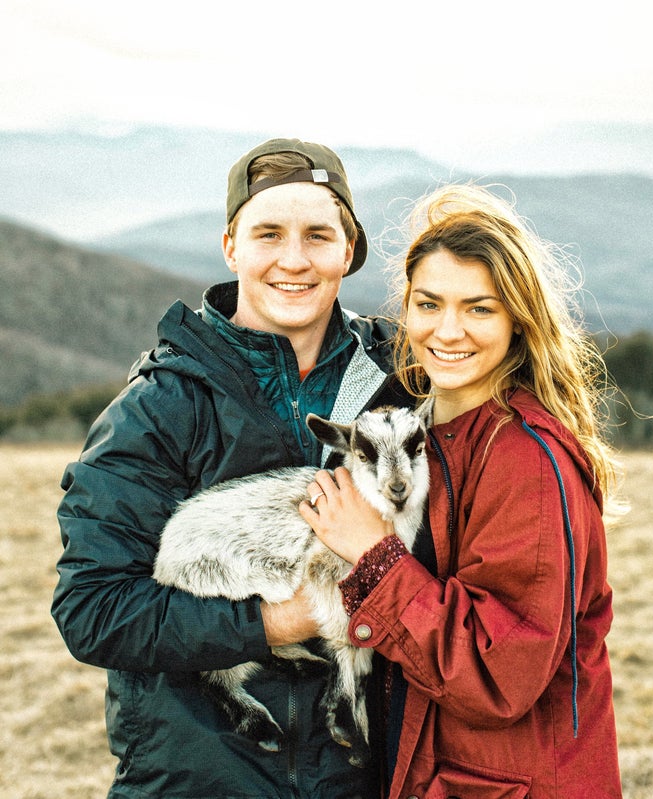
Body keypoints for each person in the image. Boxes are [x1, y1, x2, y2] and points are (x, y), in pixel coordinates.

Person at [52, 138, 413, 799]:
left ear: (348, 251)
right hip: (196, 778)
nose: (294, 258)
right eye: (268, 233)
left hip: (364, 779)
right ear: (231, 247)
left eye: (318, 235)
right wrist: (285, 619)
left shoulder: (404, 388)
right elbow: (93, 606)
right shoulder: (161, 406)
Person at [300, 184, 625, 798]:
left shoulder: (524, 457)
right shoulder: (426, 432)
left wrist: (374, 554)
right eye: (428, 304)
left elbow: (500, 669)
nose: (448, 330)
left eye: (479, 308)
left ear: (518, 321)